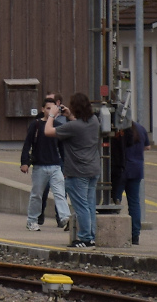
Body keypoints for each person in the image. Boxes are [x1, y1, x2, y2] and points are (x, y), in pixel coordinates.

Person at [46, 92, 101, 248]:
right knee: (90, 205)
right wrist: (70, 115)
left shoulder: (73, 127)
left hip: (77, 171)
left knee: (81, 206)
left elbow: (48, 131)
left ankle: (85, 238)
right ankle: (91, 236)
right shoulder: (94, 120)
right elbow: (79, 123)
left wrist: (52, 115)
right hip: (93, 169)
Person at [20, 93, 71, 232]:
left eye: (53, 108)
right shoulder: (36, 125)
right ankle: (32, 220)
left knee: (60, 193)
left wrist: (66, 166)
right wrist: (24, 162)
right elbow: (27, 144)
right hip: (39, 166)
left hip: (55, 166)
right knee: (37, 194)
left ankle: (65, 217)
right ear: (43, 109)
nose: (50, 111)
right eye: (48, 108)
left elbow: (62, 148)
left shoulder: (58, 126)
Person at [117, 119, 148, 246]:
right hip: (136, 169)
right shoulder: (141, 128)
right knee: (134, 202)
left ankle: (116, 230)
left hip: (121, 169)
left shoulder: (119, 129)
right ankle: (135, 235)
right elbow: (147, 146)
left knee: (115, 200)